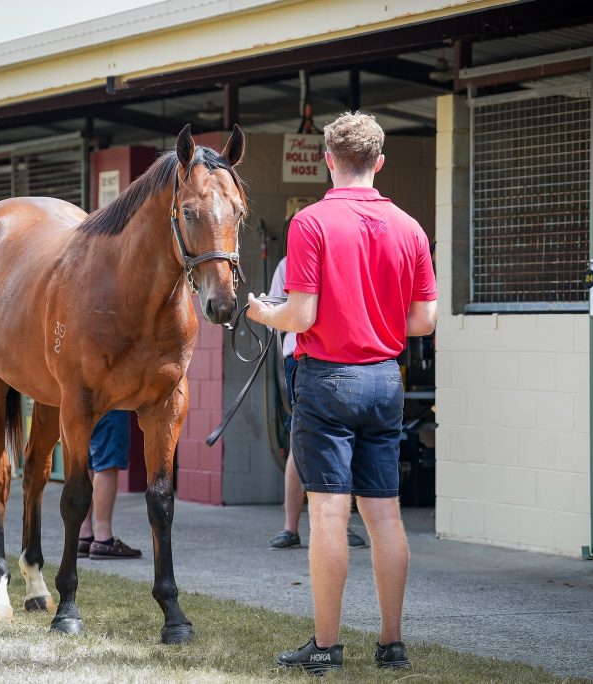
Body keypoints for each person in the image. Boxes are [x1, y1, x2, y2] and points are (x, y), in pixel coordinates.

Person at [248, 111, 438, 673]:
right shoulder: (410, 227)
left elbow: (301, 313)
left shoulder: (309, 222)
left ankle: (327, 647)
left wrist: (264, 313)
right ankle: (391, 644)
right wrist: (373, 320)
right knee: (385, 517)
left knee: (328, 515)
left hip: (327, 377)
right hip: (385, 379)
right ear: (378, 163)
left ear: (329, 160)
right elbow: (425, 321)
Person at [266, 255, 367, 551]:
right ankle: (290, 528)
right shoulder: (288, 262)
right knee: (302, 439)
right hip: (300, 357)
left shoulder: (346, 257)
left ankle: (339, 526)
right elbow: (274, 307)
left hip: (342, 355)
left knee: (341, 440)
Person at [78, 410, 143, 560]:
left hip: (79, 398)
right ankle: (103, 538)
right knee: (106, 463)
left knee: (86, 464)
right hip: (110, 398)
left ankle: (83, 536)